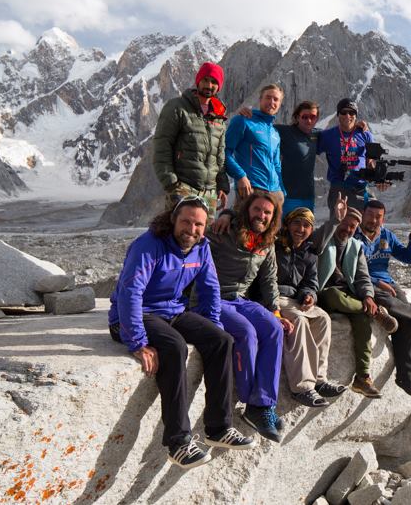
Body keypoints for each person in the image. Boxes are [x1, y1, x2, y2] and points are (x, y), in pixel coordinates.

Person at [107, 195, 254, 469]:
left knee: (222, 340)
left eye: (199, 224)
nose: (192, 229)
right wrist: (137, 341)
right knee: (174, 346)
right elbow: (130, 292)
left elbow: (210, 290)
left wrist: (211, 328)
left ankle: (218, 428)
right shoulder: (149, 245)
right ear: (173, 219)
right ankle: (178, 442)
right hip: (135, 315)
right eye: (186, 221)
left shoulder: (201, 248)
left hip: (171, 311)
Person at [207, 190, 293, 442]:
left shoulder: (266, 244)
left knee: (274, 328)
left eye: (268, 212)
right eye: (257, 210)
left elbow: (269, 280)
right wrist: (224, 213)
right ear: (247, 210)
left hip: (240, 299)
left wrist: (275, 310)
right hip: (213, 298)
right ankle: (249, 399)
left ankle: (262, 405)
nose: (262, 216)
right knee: (246, 331)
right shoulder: (225, 230)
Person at [356, 200, 411, 397]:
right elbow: (348, 268)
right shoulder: (353, 234)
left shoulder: (386, 235)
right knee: (388, 301)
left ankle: (405, 377)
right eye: (370, 215)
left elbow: (407, 257)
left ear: (383, 218)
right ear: (362, 214)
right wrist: (376, 282)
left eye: (378, 217)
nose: (373, 220)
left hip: (388, 283)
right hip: (364, 282)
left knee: (407, 321)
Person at [316, 206, 398, 398]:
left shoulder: (355, 246)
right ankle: (377, 313)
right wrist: (334, 221)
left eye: (352, 226)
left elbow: (363, 276)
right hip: (322, 292)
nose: (347, 229)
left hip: (349, 295)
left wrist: (368, 296)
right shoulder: (324, 237)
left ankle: (363, 377)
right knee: (335, 295)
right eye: (344, 223)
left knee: (362, 320)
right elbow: (317, 241)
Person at [238, 99, 370, 218]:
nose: (309, 120)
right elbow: (264, 127)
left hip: (307, 196)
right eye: (304, 117)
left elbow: (345, 136)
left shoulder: (318, 135)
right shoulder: (285, 131)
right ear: (297, 117)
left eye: (313, 117)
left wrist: (360, 125)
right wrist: (252, 113)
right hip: (285, 195)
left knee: (304, 234)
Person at [274, 200, 349, 407]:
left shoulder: (308, 252)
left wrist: (309, 295)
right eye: (297, 223)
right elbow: (267, 279)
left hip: (296, 299)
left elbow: (311, 282)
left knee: (323, 318)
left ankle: (319, 379)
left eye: (306, 225)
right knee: (299, 321)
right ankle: (302, 387)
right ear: (288, 225)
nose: (301, 229)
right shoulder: (276, 246)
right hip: (275, 297)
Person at [153, 62, 230, 212]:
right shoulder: (177, 107)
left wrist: (222, 186)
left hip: (210, 193)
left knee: (202, 234)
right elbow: (162, 145)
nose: (209, 85)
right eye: (206, 80)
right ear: (198, 81)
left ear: (219, 86)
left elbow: (219, 156)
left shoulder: (219, 116)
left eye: (214, 82)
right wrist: (172, 184)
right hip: (183, 188)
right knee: (178, 233)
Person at [316, 98, 381, 215]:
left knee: (373, 216)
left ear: (356, 116)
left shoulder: (366, 135)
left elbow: (370, 162)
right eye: (344, 112)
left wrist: (379, 177)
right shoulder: (327, 135)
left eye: (351, 113)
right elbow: (309, 138)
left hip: (360, 186)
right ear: (338, 114)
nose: (347, 115)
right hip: (338, 187)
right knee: (339, 224)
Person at [224, 83, 284, 206]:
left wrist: (282, 190)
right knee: (243, 225)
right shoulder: (243, 120)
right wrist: (240, 176)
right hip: (251, 188)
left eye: (276, 99)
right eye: (268, 97)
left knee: (273, 226)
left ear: (279, 104)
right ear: (260, 99)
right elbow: (225, 151)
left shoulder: (275, 133)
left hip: (275, 192)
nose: (271, 102)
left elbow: (277, 164)